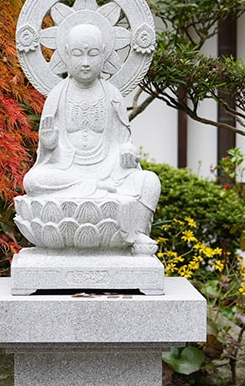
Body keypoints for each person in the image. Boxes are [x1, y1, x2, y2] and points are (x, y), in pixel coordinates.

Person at [22, 20, 160, 251]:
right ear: (66, 54)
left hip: (108, 172)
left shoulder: (111, 94)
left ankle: (137, 235)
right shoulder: (57, 95)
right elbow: (47, 156)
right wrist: (48, 143)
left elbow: (123, 141)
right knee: (33, 181)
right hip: (68, 172)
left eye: (93, 54)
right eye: (78, 54)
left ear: (105, 54)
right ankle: (92, 189)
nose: (85, 62)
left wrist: (127, 152)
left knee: (149, 181)